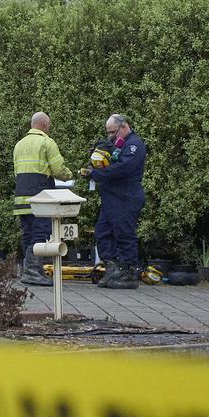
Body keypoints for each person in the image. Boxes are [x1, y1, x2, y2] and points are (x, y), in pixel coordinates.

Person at [80, 113, 146, 289]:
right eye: (108, 133)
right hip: (111, 198)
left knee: (125, 234)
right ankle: (113, 269)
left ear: (123, 127)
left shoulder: (134, 145)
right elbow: (110, 163)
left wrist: (96, 174)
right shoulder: (118, 144)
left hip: (126, 197)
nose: (110, 136)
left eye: (112, 132)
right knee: (102, 233)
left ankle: (130, 274)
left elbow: (123, 169)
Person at [12, 112, 72, 286]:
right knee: (41, 233)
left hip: (21, 198)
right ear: (45, 124)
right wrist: (69, 175)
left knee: (28, 234)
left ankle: (28, 270)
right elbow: (58, 169)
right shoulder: (47, 142)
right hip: (40, 198)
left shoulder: (19, 144)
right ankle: (33, 271)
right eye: (49, 125)